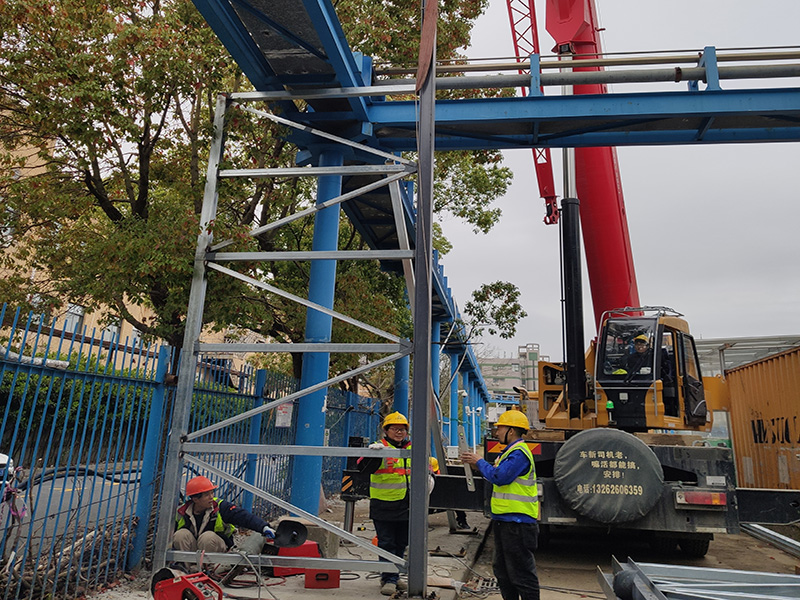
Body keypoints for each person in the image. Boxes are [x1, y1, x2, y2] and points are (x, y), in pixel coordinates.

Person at [460, 410, 540, 600]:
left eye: (500, 428)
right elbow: (496, 475)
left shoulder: (519, 454)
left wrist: (480, 461)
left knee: (521, 574)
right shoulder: (509, 453)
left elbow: (500, 477)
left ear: (511, 431)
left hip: (518, 523)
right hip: (506, 521)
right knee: (503, 572)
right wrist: (479, 467)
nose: (496, 433)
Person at [356, 411, 412, 596]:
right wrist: (372, 455)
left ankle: (395, 575)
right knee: (387, 542)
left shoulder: (412, 448)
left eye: (402, 429)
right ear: (386, 430)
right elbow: (362, 467)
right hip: (384, 504)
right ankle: (389, 579)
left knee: (402, 542)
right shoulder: (378, 448)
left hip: (406, 504)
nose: (399, 432)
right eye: (395, 429)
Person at [173, 475, 276, 562]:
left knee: (207, 537)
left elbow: (244, 517)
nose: (211, 497)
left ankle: (207, 571)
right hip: (194, 550)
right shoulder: (181, 512)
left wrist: (263, 527)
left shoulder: (220, 507)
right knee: (180, 535)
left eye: (212, 492)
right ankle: (187, 570)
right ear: (195, 499)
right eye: (207, 495)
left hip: (217, 550)